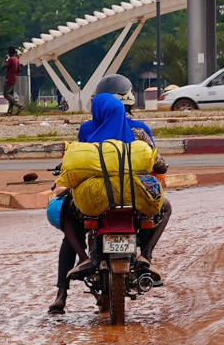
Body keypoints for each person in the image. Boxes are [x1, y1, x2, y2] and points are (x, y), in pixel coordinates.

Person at [47, 88, 170, 314]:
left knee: (67, 216)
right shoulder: (138, 132)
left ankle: (64, 289)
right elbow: (157, 162)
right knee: (163, 208)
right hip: (132, 198)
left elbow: (77, 164)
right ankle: (146, 255)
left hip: (96, 201)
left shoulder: (88, 130)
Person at [2, 46, 24, 115]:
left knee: (6, 94)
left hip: (9, 78)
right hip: (14, 77)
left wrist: (5, 60)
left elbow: (3, 67)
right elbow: (19, 70)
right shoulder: (17, 59)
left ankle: (19, 105)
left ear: (10, 52)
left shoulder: (11, 59)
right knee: (11, 95)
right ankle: (10, 111)